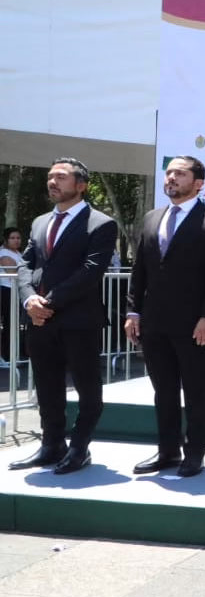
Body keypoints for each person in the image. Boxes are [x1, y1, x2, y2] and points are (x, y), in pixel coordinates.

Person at [124, 156, 205, 478]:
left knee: (196, 391)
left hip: (193, 325)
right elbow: (140, 270)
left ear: (198, 183)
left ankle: (194, 453)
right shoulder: (152, 218)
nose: (171, 177)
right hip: (154, 323)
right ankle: (167, 451)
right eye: (169, 172)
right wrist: (133, 311)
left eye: (180, 173)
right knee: (164, 390)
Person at [8, 158, 118, 474]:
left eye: (61, 176)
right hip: (40, 320)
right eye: (50, 176)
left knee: (87, 387)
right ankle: (51, 445)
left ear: (81, 185)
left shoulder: (101, 223)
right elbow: (25, 265)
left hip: (79, 321)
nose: (52, 181)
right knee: (47, 386)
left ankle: (79, 448)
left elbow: (91, 270)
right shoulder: (40, 222)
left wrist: (49, 301)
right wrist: (29, 299)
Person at [0, 227, 24, 367]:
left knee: (15, 324)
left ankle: (14, 354)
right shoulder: (4, 253)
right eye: (12, 238)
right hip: (7, 291)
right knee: (9, 324)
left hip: (17, 292)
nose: (16, 240)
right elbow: (13, 272)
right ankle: (7, 356)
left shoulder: (18, 253)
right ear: (6, 240)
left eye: (18, 238)